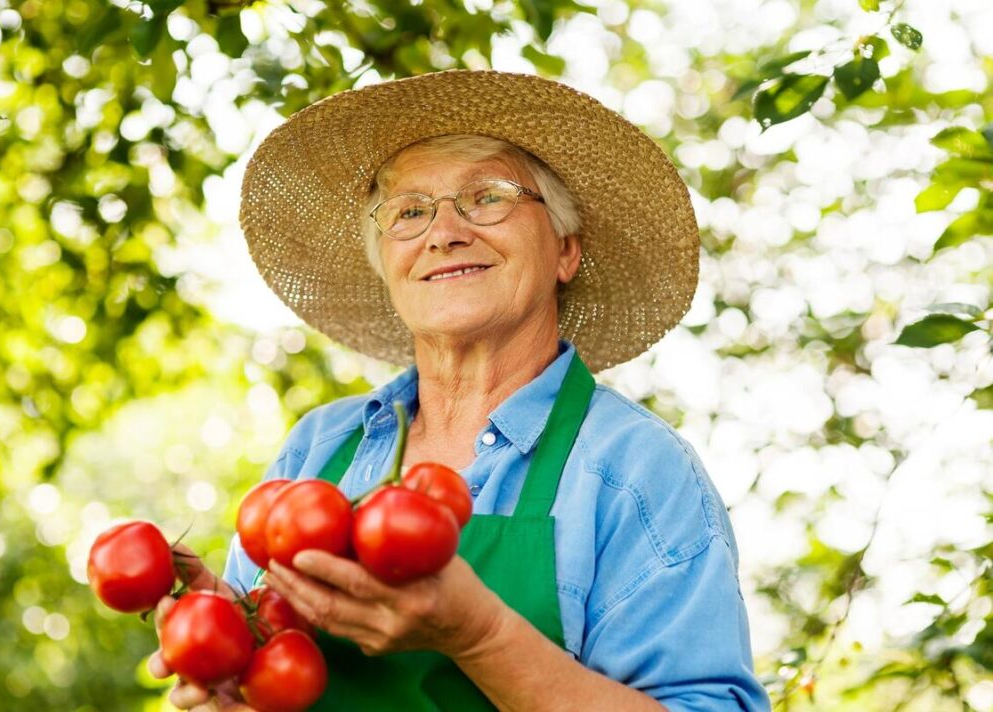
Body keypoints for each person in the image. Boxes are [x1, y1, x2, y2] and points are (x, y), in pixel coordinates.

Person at [148, 70, 771, 711]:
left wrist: (480, 636)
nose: (443, 232)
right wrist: (232, 664)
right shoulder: (319, 446)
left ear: (565, 251)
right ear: (388, 265)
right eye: (410, 211)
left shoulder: (635, 470)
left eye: (488, 197)